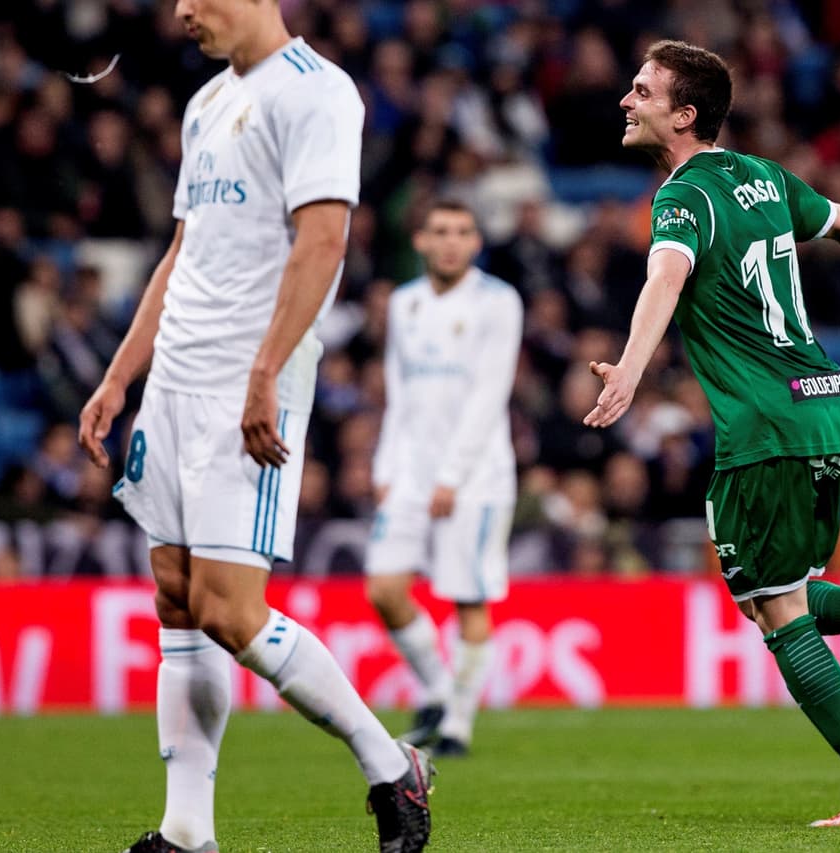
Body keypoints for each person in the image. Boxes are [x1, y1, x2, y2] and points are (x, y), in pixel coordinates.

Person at [584, 40, 840, 828]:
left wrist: (630, 368)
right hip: (824, 404)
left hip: (763, 421)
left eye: (642, 91)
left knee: (776, 609)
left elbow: (665, 275)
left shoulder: (682, 196)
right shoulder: (763, 176)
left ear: (683, 114)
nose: (626, 100)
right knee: (781, 592)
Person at [77, 2, 432, 851]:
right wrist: (121, 374)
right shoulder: (205, 103)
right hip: (174, 383)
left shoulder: (316, 93)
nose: (181, 13)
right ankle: (187, 830)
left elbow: (324, 242)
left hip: (249, 381)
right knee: (176, 601)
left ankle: (392, 767)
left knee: (231, 612)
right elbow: (182, 252)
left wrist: (266, 371)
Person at [364, 200, 523, 758]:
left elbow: (489, 392)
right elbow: (397, 391)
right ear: (422, 241)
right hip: (410, 470)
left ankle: (457, 725)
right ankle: (436, 690)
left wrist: (452, 475)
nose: (451, 241)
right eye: (440, 231)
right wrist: (386, 466)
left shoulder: (498, 302)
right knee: (383, 587)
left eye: (462, 231)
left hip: (476, 476)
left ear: (477, 242)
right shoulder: (404, 304)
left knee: (467, 597)